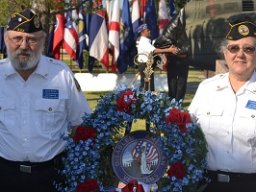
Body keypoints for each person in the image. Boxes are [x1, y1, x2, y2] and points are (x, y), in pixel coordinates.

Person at [0, 9, 91, 192]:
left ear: (42, 41)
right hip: (4, 176)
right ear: (5, 40)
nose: (24, 45)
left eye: (32, 39)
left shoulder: (61, 75)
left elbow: (81, 123)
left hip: (52, 177)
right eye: (17, 38)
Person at [188, 16, 256, 192]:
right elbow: (185, 132)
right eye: (234, 48)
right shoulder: (207, 89)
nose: (240, 54)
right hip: (208, 185)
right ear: (225, 53)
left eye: (248, 49)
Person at [135, 24, 179, 91]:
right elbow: (154, 51)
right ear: (142, 32)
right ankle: (145, 100)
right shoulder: (143, 41)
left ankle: (147, 99)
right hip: (145, 65)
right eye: (147, 30)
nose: (149, 31)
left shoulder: (146, 40)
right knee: (147, 86)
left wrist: (167, 48)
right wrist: (169, 50)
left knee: (148, 85)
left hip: (147, 65)